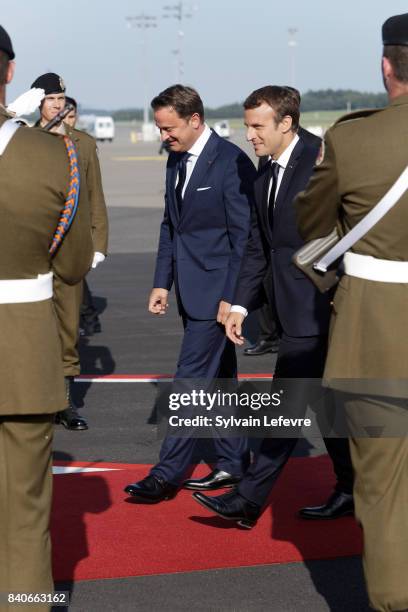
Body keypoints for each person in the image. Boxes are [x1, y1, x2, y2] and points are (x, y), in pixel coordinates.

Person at [192, 86, 353, 525]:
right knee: (325, 403)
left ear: (287, 123)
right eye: (247, 126)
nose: (250, 135)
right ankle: (352, 487)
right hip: (289, 308)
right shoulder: (264, 173)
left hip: (322, 307)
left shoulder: (323, 161)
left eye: (258, 126)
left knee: (285, 404)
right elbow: (260, 248)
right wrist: (242, 305)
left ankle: (248, 498)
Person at [294, 14, 408, 612]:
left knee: (384, 492)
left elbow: (311, 230)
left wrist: (330, 278)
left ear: (386, 65)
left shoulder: (354, 137)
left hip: (375, 335)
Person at [124, 84, 256, 502]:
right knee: (219, 381)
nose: (164, 136)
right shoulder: (176, 159)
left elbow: (244, 238)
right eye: (161, 129)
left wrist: (232, 298)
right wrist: (162, 281)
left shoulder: (231, 162)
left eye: (169, 128)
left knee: (189, 382)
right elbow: (171, 224)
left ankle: (166, 474)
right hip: (191, 290)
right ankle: (234, 462)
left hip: (217, 296)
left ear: (195, 119)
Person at [0, 25, 92, 604]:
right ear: (9, 72)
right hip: (25, 349)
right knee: (26, 505)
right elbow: (75, 262)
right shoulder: (57, 154)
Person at [31, 73, 109, 430]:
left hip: (70, 249)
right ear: (39, 103)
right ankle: (32, 399)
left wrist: (98, 245)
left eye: (62, 99)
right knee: (31, 326)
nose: (58, 105)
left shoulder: (84, 144)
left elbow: (95, 197)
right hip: (30, 249)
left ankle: (64, 403)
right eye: (51, 100)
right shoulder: (22, 140)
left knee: (68, 326)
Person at [64, 96, 103, 337]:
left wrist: (99, 240)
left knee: (74, 276)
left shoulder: (83, 143)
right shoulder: (32, 138)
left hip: (75, 225)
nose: (69, 119)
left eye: (72, 115)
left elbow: (94, 193)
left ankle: (87, 316)